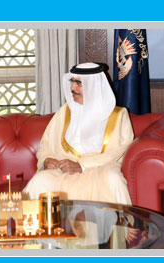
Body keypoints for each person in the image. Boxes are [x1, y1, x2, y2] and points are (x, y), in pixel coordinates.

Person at [23, 62, 134, 205]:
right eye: (72, 82)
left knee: (113, 180)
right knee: (40, 181)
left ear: (94, 86)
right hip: (63, 171)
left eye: (78, 83)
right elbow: (46, 144)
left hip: (100, 170)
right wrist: (46, 160)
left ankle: (120, 227)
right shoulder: (65, 112)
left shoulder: (118, 115)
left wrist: (81, 165)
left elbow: (117, 151)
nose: (72, 88)